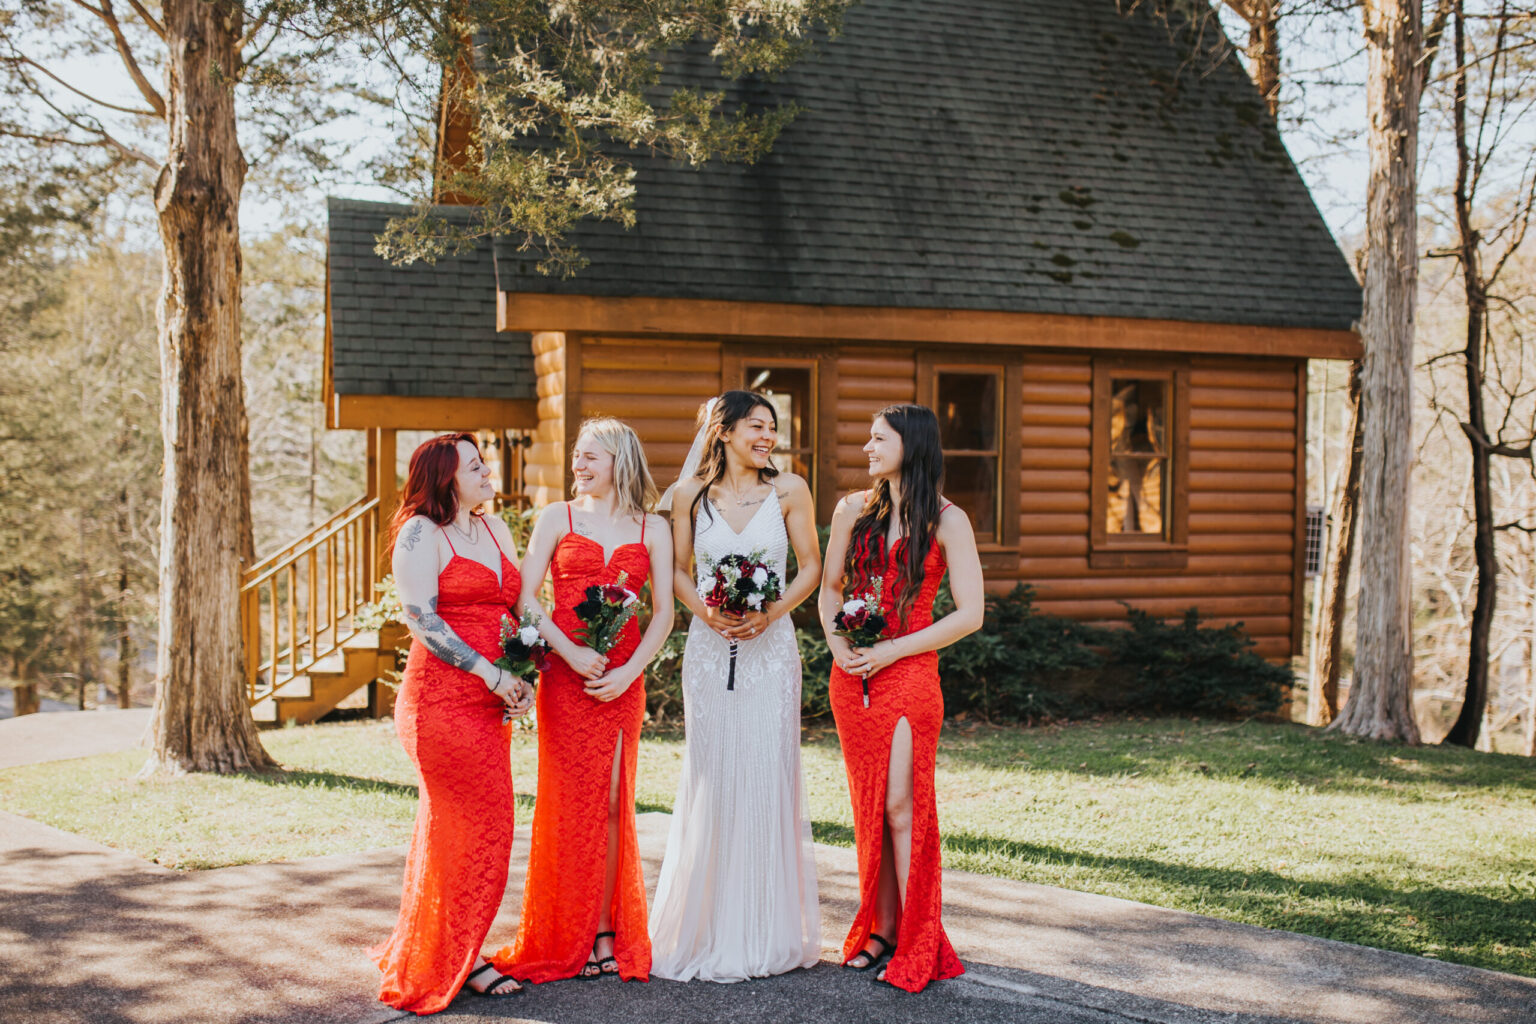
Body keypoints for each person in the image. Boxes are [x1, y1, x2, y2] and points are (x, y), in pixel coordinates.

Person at [648, 391, 823, 982]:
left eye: (773, 427)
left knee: (765, 772)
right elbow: (673, 568)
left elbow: (812, 568)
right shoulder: (688, 497)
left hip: (771, 655)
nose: (768, 436)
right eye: (757, 426)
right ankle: (706, 926)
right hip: (708, 648)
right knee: (714, 772)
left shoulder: (791, 489)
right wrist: (706, 611)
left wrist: (771, 613)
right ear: (722, 432)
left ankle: (763, 927)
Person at [492, 418, 673, 983]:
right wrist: (568, 653)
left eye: (590, 456)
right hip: (568, 679)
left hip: (622, 682)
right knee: (569, 803)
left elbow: (663, 612)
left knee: (618, 801)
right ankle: (564, 931)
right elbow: (526, 598)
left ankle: (604, 930)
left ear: (620, 459)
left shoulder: (653, 528)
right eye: (576, 456)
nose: (579, 466)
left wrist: (627, 675)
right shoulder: (558, 517)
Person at [818, 404, 984, 993]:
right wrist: (839, 647)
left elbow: (971, 613)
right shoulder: (850, 511)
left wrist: (893, 651)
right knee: (869, 809)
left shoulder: (947, 519)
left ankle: (917, 939)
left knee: (901, 807)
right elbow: (830, 589)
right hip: (853, 677)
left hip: (910, 674)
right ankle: (879, 930)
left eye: (877, 438)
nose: (866, 447)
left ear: (910, 446)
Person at [371, 433, 533, 1012]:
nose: (487, 471)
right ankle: (462, 958)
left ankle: (447, 943)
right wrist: (493, 675)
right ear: (446, 476)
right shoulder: (420, 532)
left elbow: (517, 607)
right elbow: (421, 619)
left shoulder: (493, 528)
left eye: (484, 462)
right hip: (439, 704)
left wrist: (524, 671)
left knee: (468, 827)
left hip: (492, 703)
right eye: (475, 465)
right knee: (469, 829)